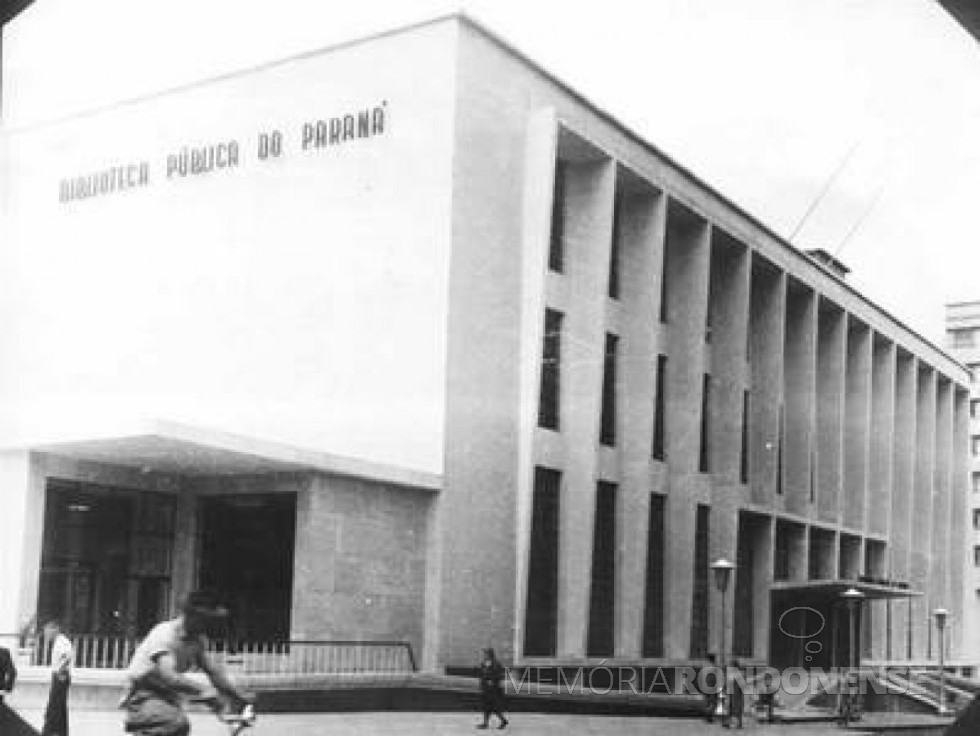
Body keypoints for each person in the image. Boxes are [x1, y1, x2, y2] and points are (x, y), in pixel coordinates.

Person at [120, 590, 250, 736]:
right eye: (205, 619)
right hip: (142, 695)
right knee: (174, 724)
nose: (208, 625)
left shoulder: (198, 640)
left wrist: (237, 694)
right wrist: (203, 690)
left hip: (167, 696)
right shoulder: (165, 634)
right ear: (190, 615)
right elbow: (168, 675)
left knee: (176, 727)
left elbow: (212, 672)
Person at [41, 620, 73, 736]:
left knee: (54, 704)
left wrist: (60, 671)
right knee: (60, 705)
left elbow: (67, 656)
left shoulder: (62, 641)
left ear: (55, 630)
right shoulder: (58, 642)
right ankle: (61, 731)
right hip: (59, 674)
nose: (46, 635)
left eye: (47, 632)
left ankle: (48, 730)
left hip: (61, 675)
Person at [476, 648, 508, 730]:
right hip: (485, 689)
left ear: (490, 654)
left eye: (486, 654)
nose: (484, 655)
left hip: (494, 690)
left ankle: (503, 720)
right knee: (486, 707)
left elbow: (501, 676)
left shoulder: (496, 664)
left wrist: (493, 681)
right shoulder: (483, 663)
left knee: (494, 707)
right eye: (484, 654)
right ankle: (485, 724)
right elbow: (481, 674)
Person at [723, 660, 744, 729]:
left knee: (732, 709)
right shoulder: (739, 674)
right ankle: (737, 724)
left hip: (734, 695)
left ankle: (733, 723)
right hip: (735, 695)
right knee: (734, 709)